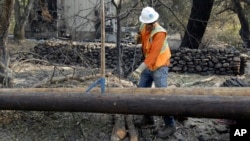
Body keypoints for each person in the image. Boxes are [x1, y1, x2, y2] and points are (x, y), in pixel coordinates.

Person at [129, 6, 176, 138]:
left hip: (159, 66)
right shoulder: (143, 26)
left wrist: (139, 69)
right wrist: (137, 38)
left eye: (151, 24)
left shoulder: (159, 33)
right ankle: (148, 117)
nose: (149, 26)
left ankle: (170, 125)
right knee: (143, 91)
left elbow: (154, 55)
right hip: (148, 65)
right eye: (147, 24)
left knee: (162, 96)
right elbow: (142, 37)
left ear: (154, 21)